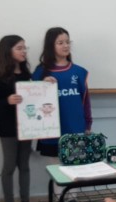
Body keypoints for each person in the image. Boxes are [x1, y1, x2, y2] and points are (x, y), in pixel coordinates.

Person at [0, 35, 41, 202]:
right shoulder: (1, 77)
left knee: (24, 166)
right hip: (8, 129)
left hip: (27, 128)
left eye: (25, 47)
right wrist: (7, 101)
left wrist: (46, 83)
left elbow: (37, 94)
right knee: (9, 166)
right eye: (19, 48)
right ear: (7, 51)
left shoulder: (27, 75)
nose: (24, 51)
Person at [32, 27, 92, 158]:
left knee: (76, 166)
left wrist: (88, 124)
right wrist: (42, 86)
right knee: (55, 169)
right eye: (60, 43)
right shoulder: (40, 72)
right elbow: (33, 103)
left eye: (67, 42)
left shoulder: (79, 72)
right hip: (51, 132)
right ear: (50, 46)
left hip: (75, 130)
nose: (65, 46)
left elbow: (85, 101)